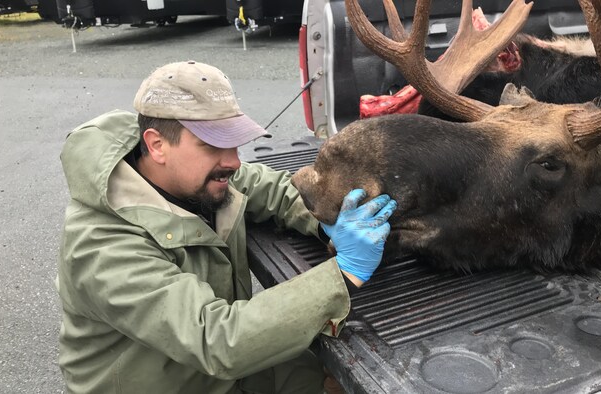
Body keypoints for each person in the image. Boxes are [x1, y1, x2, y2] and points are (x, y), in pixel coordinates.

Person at [56, 60, 397, 394]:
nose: (233, 160)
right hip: (172, 376)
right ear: (157, 144)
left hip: (217, 372)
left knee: (333, 377)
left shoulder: (193, 177)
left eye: (233, 141)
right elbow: (217, 339)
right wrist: (343, 273)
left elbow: (271, 189)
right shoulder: (103, 245)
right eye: (212, 144)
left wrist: (332, 220)